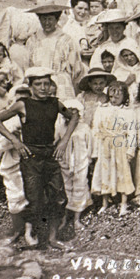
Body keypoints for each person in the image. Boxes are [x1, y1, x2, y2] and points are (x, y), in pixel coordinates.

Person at [0, 67, 80, 248]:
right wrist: (15, 141)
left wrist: (63, 142)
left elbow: (74, 116)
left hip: (50, 154)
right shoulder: (22, 104)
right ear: (31, 86)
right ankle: (30, 233)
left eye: (47, 84)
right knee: (34, 197)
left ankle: (53, 238)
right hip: (30, 155)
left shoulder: (55, 103)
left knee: (59, 197)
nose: (43, 88)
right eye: (38, 84)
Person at [0, 84, 33, 244]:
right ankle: (18, 230)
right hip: (12, 163)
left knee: (31, 196)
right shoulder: (7, 119)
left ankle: (30, 232)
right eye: (19, 97)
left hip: (31, 161)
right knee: (14, 197)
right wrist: (12, 139)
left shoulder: (34, 114)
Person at [90, 81, 135, 216]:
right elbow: (96, 129)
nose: (114, 100)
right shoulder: (102, 109)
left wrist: (130, 150)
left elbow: (132, 132)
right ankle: (105, 202)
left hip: (120, 144)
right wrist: (95, 151)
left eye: (117, 97)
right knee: (104, 171)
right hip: (105, 144)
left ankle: (124, 203)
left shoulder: (128, 112)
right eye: (111, 97)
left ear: (124, 97)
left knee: (122, 172)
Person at [26, 1, 84, 101]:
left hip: (61, 82)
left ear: (56, 20)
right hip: (39, 83)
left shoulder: (66, 40)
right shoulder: (33, 40)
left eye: (50, 19)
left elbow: (76, 68)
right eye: (43, 19)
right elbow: (28, 64)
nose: (47, 23)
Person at [55, 99, 91, 232]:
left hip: (80, 161)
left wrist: (89, 159)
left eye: (73, 111)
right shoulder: (60, 127)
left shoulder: (84, 128)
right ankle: (65, 217)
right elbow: (55, 141)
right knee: (66, 187)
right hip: (65, 162)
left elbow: (90, 145)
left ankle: (77, 218)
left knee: (80, 186)